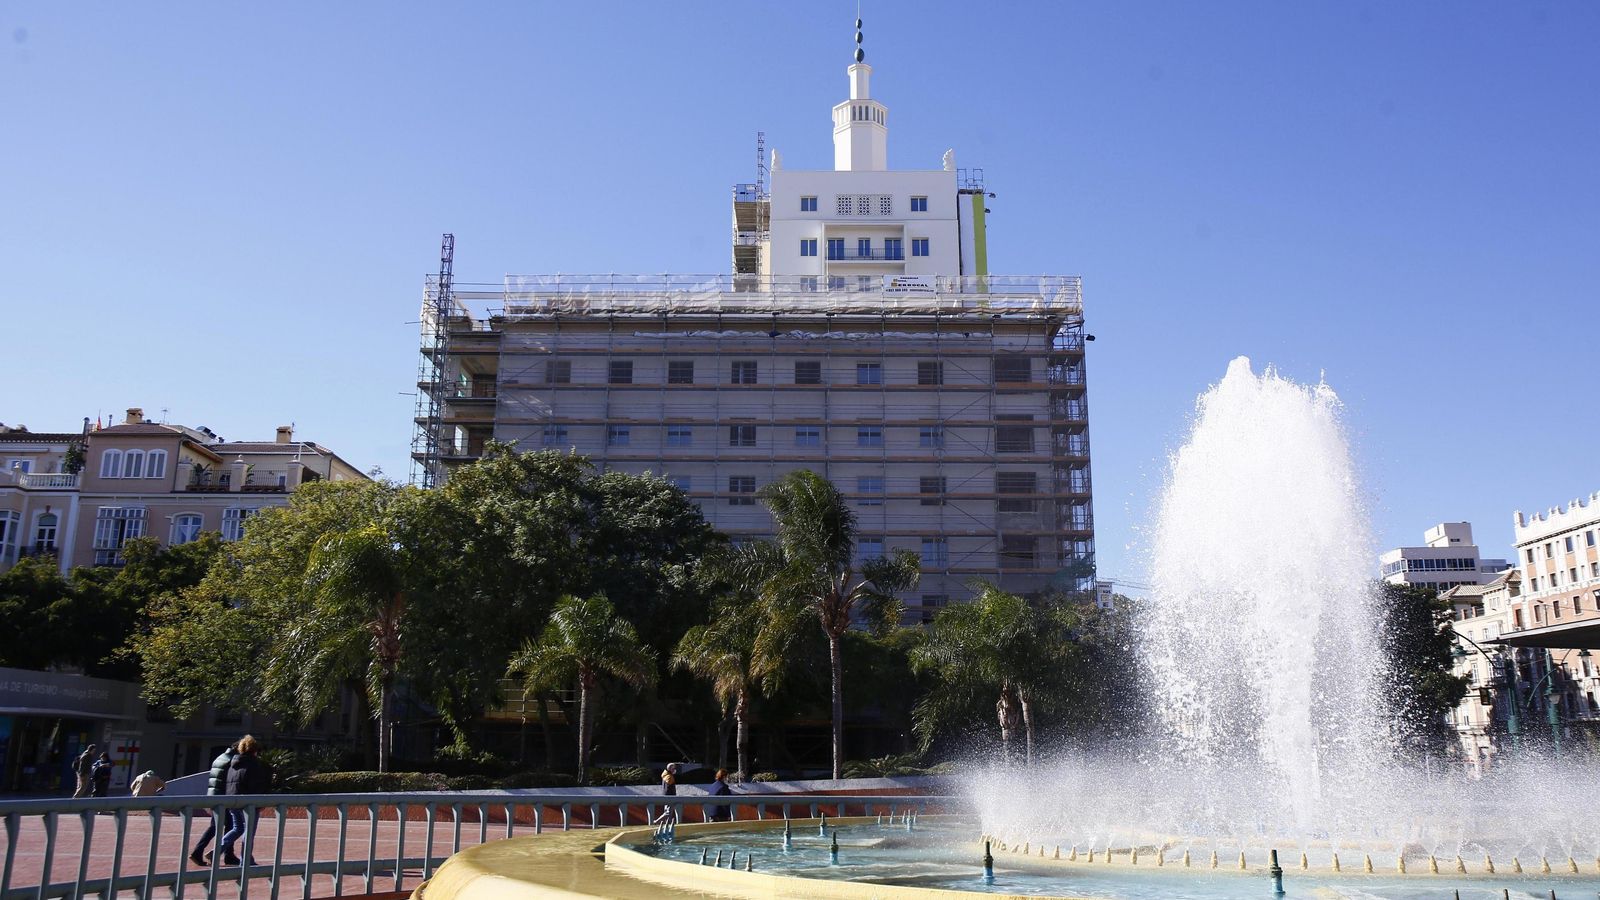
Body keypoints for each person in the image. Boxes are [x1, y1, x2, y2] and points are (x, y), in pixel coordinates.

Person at [216, 735, 272, 866]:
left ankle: (217, 849)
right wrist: (261, 801)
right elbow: (257, 784)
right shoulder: (254, 765)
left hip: (233, 800)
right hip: (249, 802)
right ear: (255, 750)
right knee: (249, 830)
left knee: (237, 828)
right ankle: (246, 859)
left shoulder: (233, 764)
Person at [190, 741, 240, 867]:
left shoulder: (221, 757)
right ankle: (225, 855)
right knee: (229, 826)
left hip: (214, 795)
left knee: (218, 825)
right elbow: (231, 780)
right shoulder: (231, 760)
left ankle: (227, 854)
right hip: (223, 797)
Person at [652, 763, 679, 827]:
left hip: (666, 796)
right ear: (670, 769)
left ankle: (667, 824)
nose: (675, 770)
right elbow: (669, 787)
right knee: (668, 813)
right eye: (673, 768)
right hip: (670, 796)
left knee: (668, 812)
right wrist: (672, 796)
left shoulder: (665, 775)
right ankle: (656, 821)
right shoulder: (669, 777)